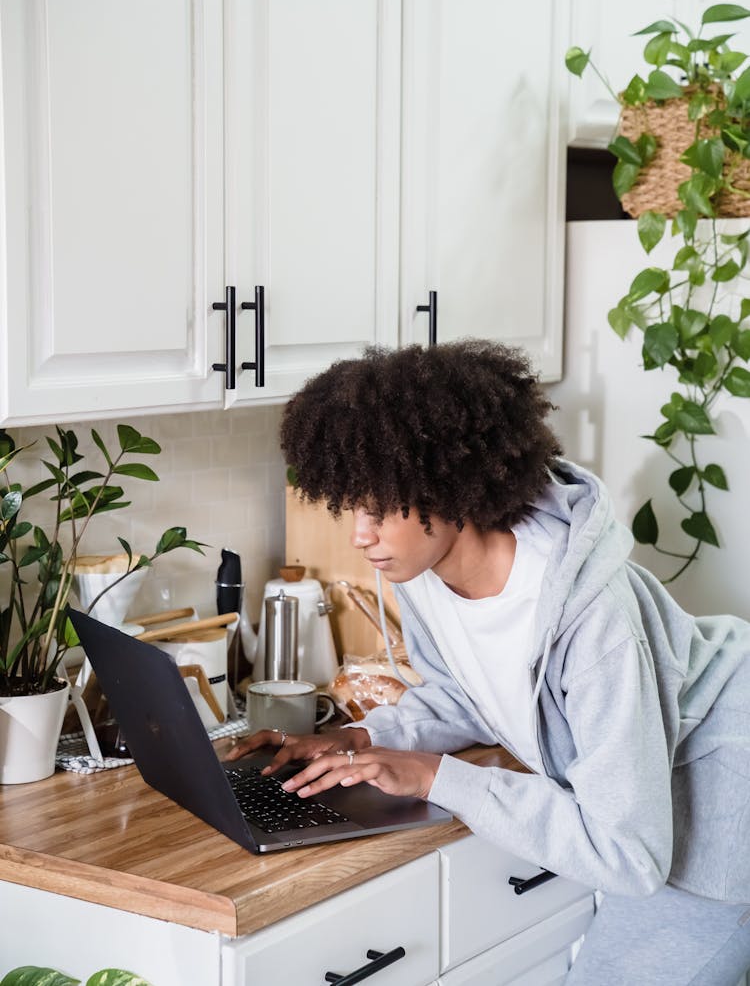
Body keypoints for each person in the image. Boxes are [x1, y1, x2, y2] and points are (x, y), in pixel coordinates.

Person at [227, 339, 750, 985]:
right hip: (645, 803)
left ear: (449, 481)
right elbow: (465, 693)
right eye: (354, 505)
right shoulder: (419, 569)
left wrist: (435, 777)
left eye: (381, 506)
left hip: (722, 806)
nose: (361, 533)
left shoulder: (592, 621)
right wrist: (359, 739)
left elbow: (631, 852)